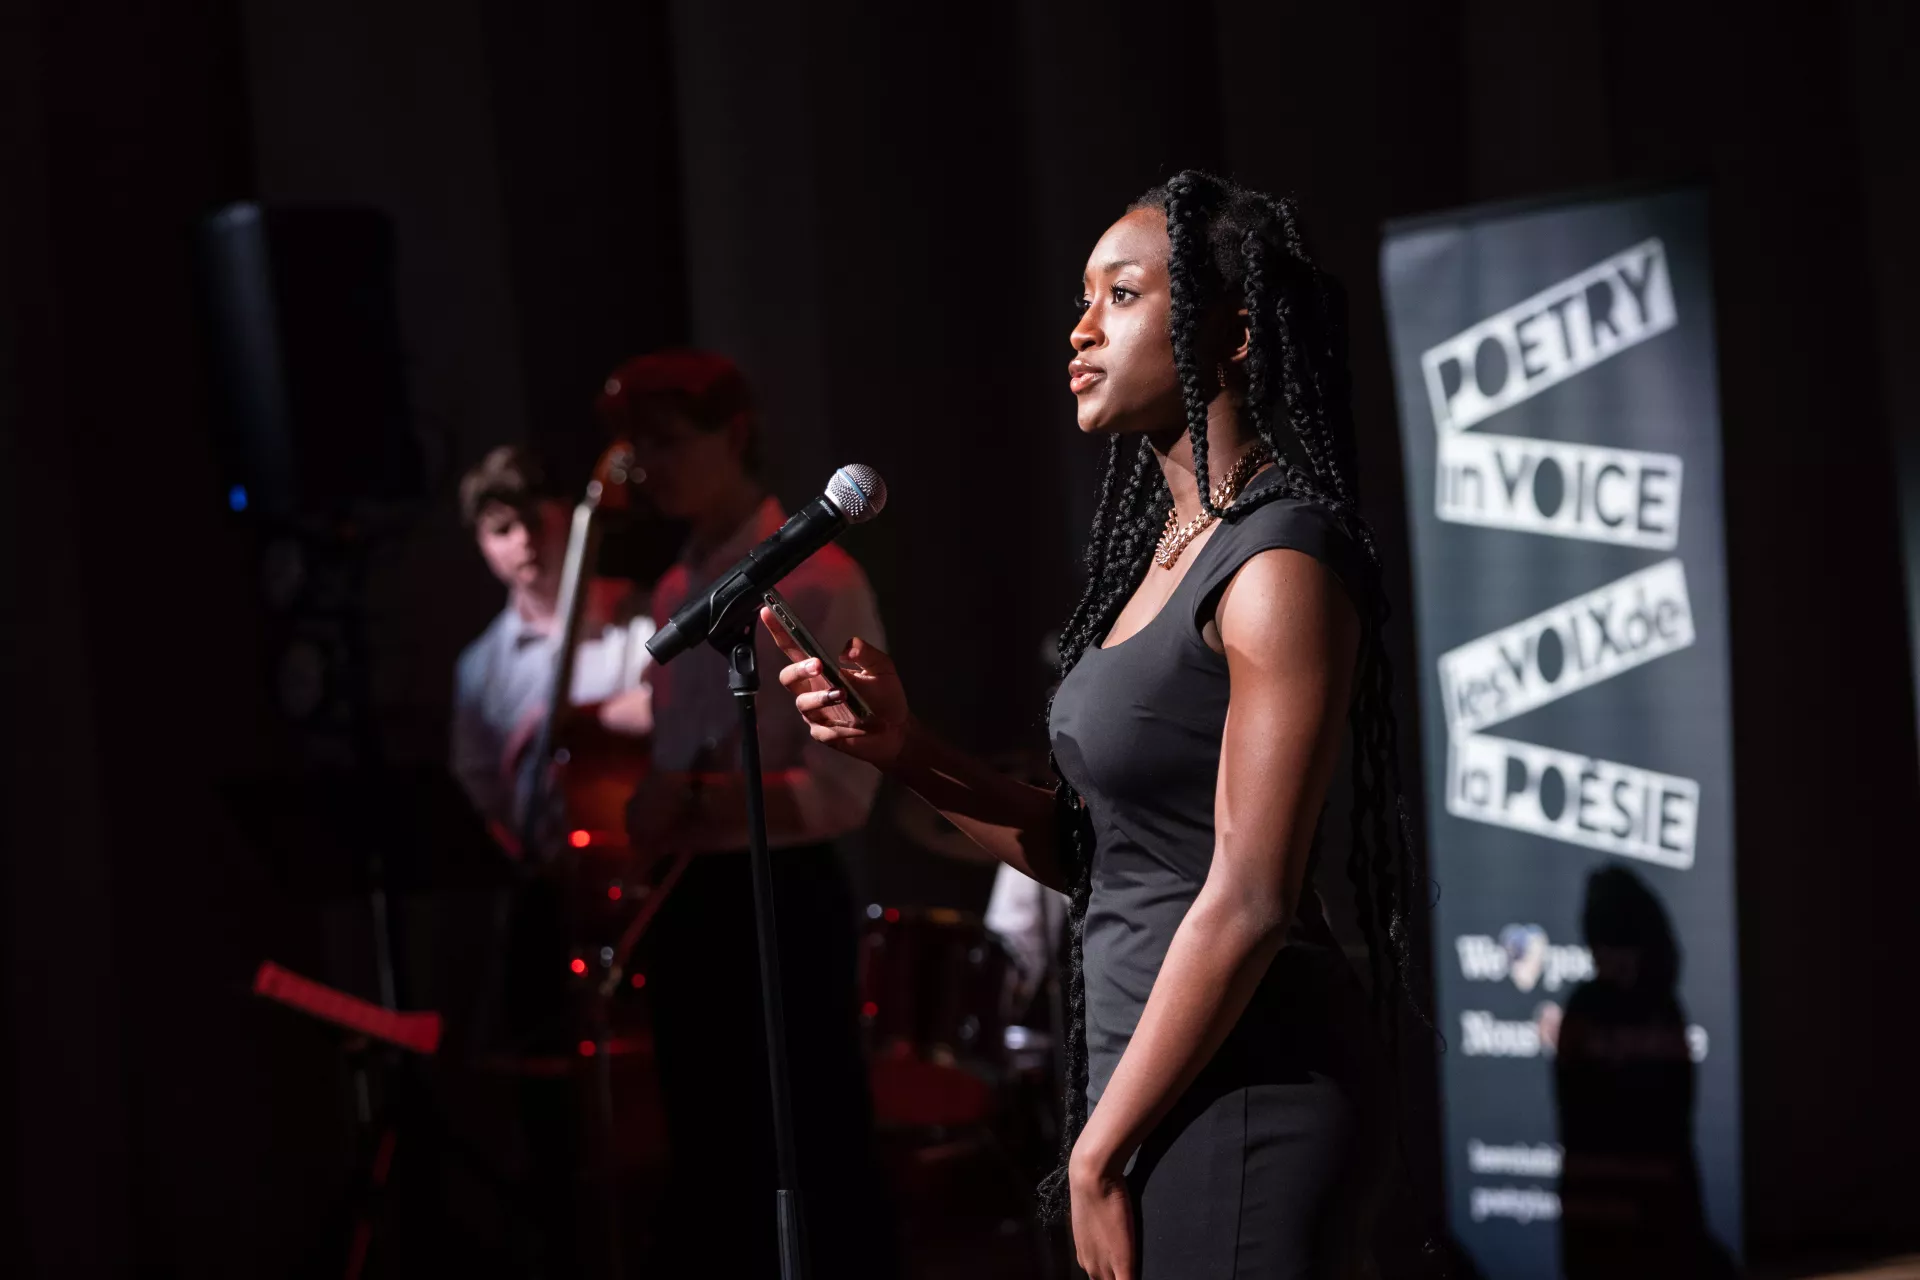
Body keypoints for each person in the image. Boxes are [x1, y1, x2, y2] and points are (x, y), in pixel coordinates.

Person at [764, 173, 1426, 1279]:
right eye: (1081, 299)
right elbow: (1103, 858)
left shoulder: (1278, 564)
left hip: (1247, 1095)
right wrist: (907, 751)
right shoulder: (1153, 561)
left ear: (1234, 332)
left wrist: (1095, 1154)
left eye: (1121, 295)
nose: (1079, 328)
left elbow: (1252, 894)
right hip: (1146, 1095)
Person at [598, 350, 898, 1278]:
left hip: (781, 895)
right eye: (638, 446)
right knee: (710, 1158)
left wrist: (693, 797)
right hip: (695, 901)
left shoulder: (821, 579)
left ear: (733, 435)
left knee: (809, 1150)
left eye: (670, 441)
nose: (650, 465)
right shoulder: (675, 588)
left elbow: (845, 790)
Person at [450, 444, 654, 847]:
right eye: (503, 530)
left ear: (564, 512)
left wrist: (576, 719)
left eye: (534, 520)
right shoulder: (479, 667)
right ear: (481, 542)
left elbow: (681, 713)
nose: (524, 540)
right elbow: (482, 794)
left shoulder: (642, 618)